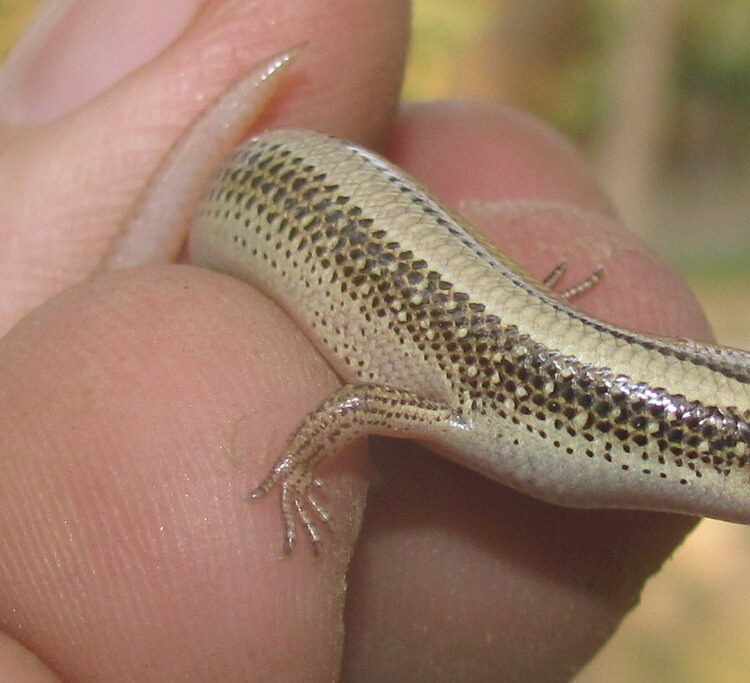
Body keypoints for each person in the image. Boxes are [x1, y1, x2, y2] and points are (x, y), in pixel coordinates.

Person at [0, 0, 711, 679]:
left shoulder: (477, 401)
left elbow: (368, 398)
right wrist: (296, 467)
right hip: (255, 190)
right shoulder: (473, 407)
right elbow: (360, 400)